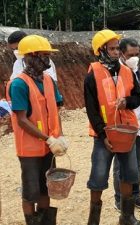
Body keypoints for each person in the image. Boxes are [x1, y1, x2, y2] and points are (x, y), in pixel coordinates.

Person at [84, 29, 140, 225]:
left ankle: (126, 217)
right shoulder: (92, 75)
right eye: (111, 48)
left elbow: (139, 98)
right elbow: (92, 109)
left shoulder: (127, 71)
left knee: (129, 174)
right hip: (104, 135)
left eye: (117, 48)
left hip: (126, 132)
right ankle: (94, 220)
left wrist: (127, 102)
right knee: (98, 177)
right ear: (100, 50)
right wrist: (103, 135)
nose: (116, 52)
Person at [6, 34, 67, 225]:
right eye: (43, 55)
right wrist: (48, 139)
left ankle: (46, 222)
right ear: (31, 56)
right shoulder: (19, 84)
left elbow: (55, 111)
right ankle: (31, 221)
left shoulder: (48, 80)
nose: (47, 59)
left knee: (46, 188)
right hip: (30, 149)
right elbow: (22, 120)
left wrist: (60, 136)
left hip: (49, 146)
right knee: (31, 192)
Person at [113, 38, 140, 210]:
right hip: (124, 127)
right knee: (121, 165)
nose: (134, 58)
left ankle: (135, 195)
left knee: (138, 163)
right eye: (130, 55)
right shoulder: (115, 73)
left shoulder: (138, 70)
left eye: (137, 54)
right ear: (121, 54)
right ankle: (120, 199)